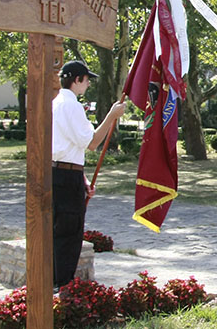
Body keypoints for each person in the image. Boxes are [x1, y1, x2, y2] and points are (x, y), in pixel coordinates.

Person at [52, 60, 125, 289]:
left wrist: (82, 179)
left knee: (58, 229)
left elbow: (63, 148)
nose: (87, 85)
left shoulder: (54, 103)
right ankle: (62, 285)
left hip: (58, 172)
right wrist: (111, 116)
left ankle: (55, 281)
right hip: (66, 178)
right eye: (86, 80)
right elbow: (92, 142)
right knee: (69, 234)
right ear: (77, 80)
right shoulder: (71, 106)